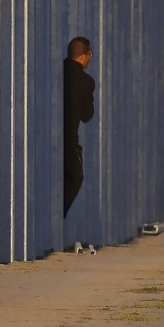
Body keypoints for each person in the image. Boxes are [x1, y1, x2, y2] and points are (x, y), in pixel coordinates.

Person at [64, 36, 95, 218]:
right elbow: (87, 115)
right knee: (75, 178)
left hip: (41, 138)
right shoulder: (85, 81)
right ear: (83, 56)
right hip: (68, 141)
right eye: (90, 54)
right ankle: (58, 217)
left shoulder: (57, 70)